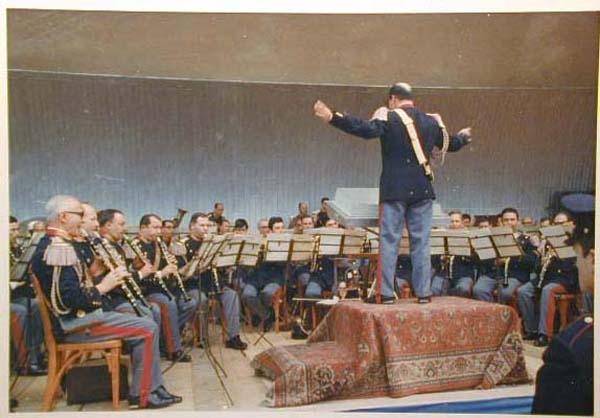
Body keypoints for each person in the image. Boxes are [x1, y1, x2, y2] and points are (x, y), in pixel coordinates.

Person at [314, 82, 472, 303]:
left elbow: (365, 129)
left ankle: (386, 294)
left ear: (393, 99)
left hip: (394, 190)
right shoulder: (430, 121)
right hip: (423, 190)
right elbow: (450, 144)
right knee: (421, 244)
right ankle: (424, 293)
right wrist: (463, 137)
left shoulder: (389, 117)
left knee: (389, 242)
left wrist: (333, 117)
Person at [30, 195, 180, 409]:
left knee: (146, 322)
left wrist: (98, 271)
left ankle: (153, 388)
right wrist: (104, 286)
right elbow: (68, 300)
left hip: (80, 317)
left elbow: (73, 285)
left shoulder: (61, 244)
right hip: (74, 324)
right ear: (63, 217)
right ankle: (143, 395)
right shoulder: (58, 248)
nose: (82, 220)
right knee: (147, 328)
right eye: (80, 215)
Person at [531, 193, 593, 415]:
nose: (577, 263)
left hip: (565, 283)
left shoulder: (570, 348)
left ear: (592, 259)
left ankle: (544, 333)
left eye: (578, 257)